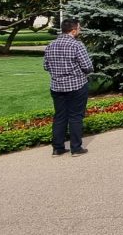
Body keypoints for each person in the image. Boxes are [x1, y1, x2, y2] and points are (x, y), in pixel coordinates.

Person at [43, 19, 93, 156]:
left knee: (59, 116)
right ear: (73, 30)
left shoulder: (51, 45)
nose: (80, 30)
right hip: (76, 85)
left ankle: (57, 148)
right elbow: (87, 67)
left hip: (57, 86)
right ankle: (76, 148)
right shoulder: (77, 45)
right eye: (79, 28)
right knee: (76, 116)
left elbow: (46, 66)